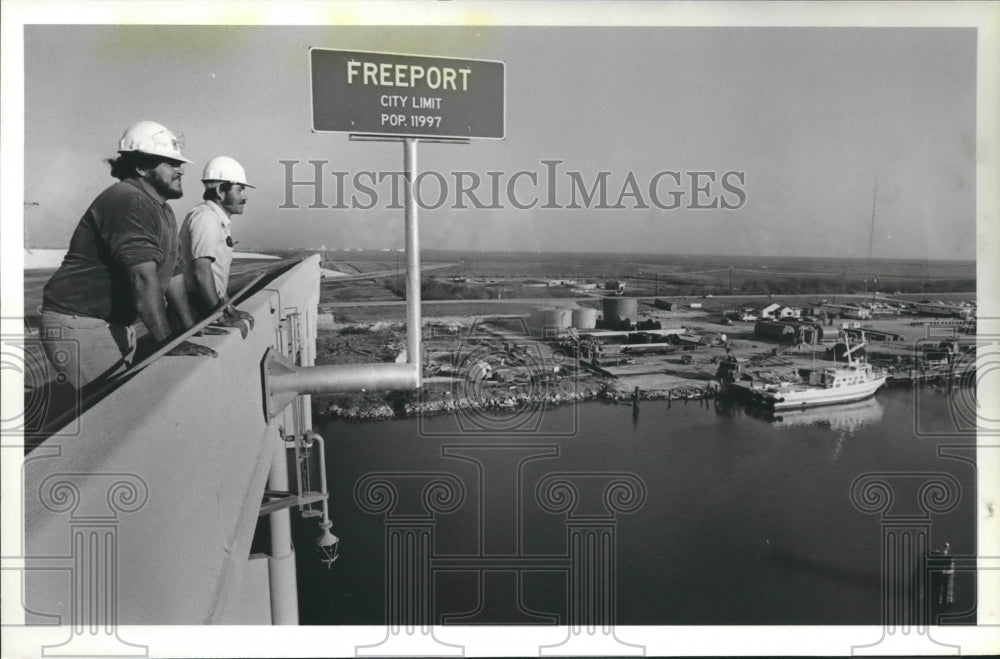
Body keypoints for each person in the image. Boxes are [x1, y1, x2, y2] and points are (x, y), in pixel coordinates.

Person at [39, 120, 215, 395]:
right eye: (170, 163)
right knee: (116, 408)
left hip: (114, 323)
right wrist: (168, 342)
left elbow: (174, 275)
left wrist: (191, 329)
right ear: (141, 167)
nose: (181, 170)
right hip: (81, 323)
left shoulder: (162, 210)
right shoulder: (127, 200)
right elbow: (142, 279)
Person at [179, 156, 254, 332]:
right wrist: (219, 316)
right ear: (221, 190)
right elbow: (201, 271)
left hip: (203, 310)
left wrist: (229, 309)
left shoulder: (216, 218)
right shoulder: (206, 218)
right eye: (240, 190)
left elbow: (216, 275)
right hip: (196, 312)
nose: (245, 197)